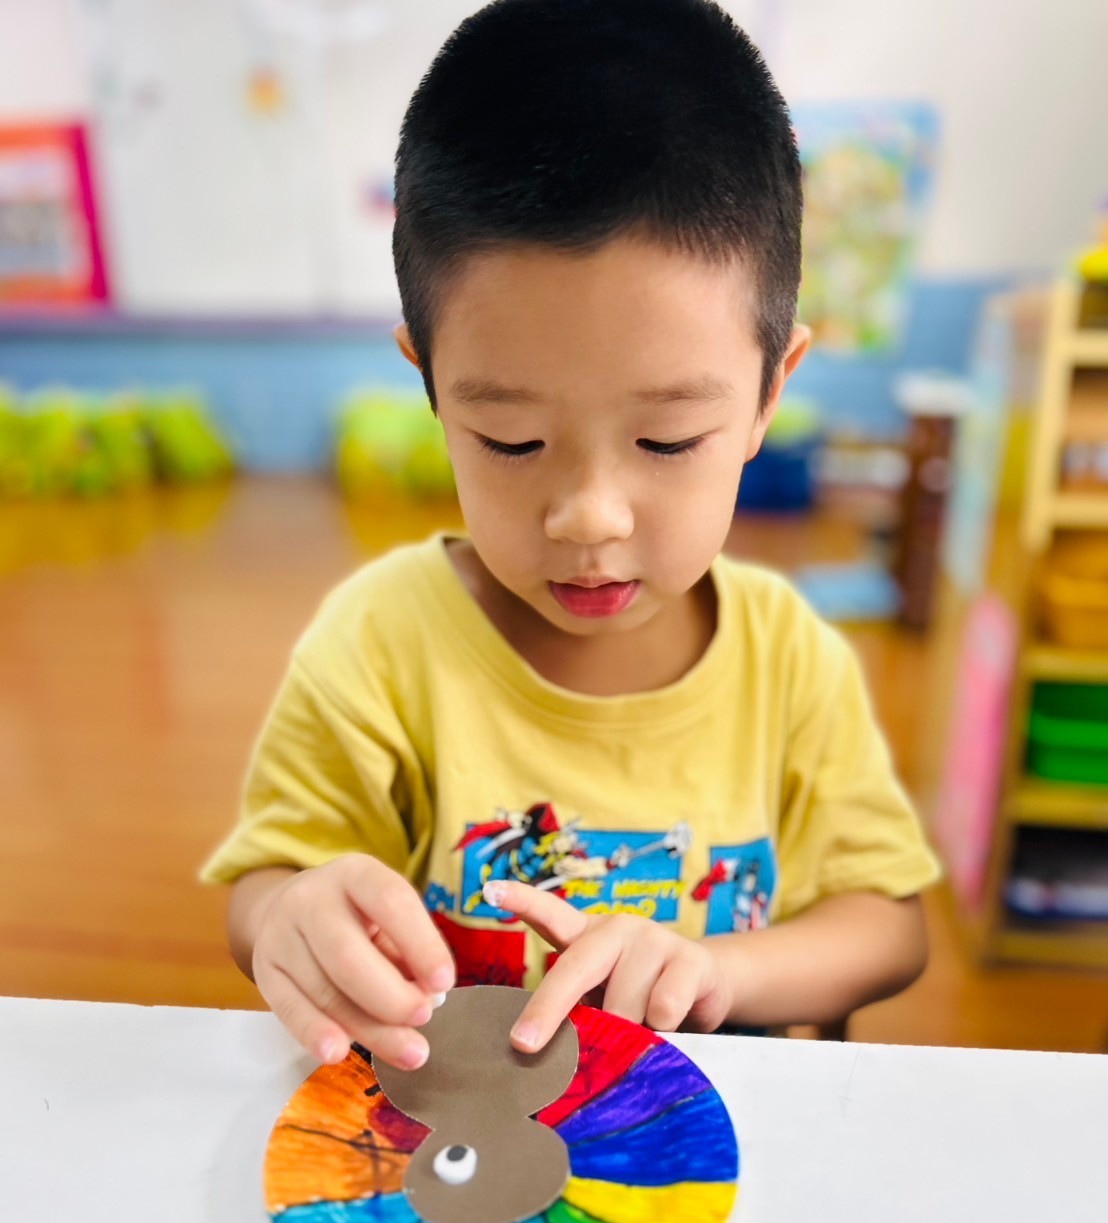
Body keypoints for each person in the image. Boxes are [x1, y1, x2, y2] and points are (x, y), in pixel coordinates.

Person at [202, 0, 939, 1072]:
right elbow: (267, 882)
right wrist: (289, 916)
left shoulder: (788, 660)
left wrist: (722, 972)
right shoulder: (380, 645)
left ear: (769, 393)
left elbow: (887, 923)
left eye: (667, 438)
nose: (590, 515)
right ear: (431, 386)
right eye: (511, 441)